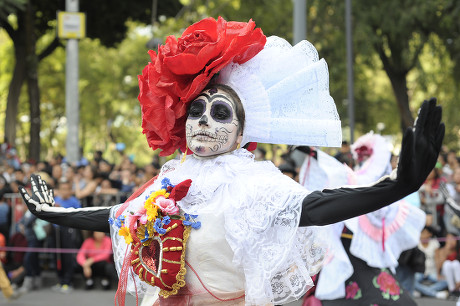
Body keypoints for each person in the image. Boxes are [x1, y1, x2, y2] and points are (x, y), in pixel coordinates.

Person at [18, 17, 444, 306]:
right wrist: (55, 213)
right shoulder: (174, 177)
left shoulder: (254, 181)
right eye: (196, 112)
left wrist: (395, 186)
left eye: (220, 113)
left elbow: (314, 208)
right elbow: (118, 214)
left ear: (242, 133)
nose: (203, 122)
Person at [414, 226, 448, 298]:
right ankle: (435, 294)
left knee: (446, 282)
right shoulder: (416, 243)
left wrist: (438, 274)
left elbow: (437, 259)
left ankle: (423, 292)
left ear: (430, 234)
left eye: (425, 233)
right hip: (420, 272)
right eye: (421, 233)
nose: (422, 235)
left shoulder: (434, 243)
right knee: (412, 281)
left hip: (432, 271)